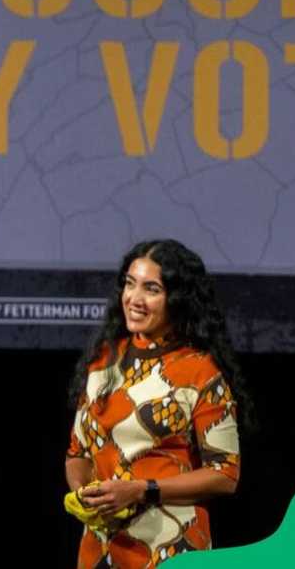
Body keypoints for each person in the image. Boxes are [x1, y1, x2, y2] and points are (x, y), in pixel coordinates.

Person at [65, 239, 251, 568]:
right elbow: (78, 453)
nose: (134, 299)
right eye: (130, 284)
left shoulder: (200, 372)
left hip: (169, 547)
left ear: (177, 300)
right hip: (99, 549)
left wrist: (141, 490)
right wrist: (84, 495)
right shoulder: (103, 360)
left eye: (151, 289)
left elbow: (225, 475)